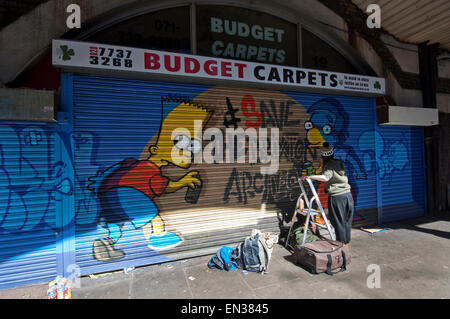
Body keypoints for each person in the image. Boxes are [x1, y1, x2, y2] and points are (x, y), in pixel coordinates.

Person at [300, 142, 354, 244]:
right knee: (346, 222)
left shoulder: (328, 165)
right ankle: (346, 245)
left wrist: (309, 176)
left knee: (338, 223)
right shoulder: (339, 162)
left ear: (323, 157)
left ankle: (341, 247)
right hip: (347, 195)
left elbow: (325, 177)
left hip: (337, 197)